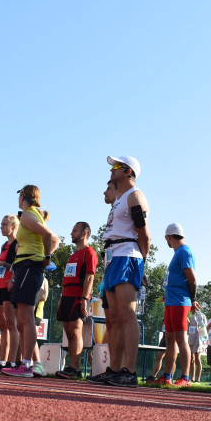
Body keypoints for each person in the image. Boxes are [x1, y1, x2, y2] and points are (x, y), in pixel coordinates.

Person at [87, 156, 150, 388]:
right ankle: (114, 370)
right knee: (113, 317)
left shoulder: (135, 196)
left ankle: (129, 371)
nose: (111, 171)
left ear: (127, 171)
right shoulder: (119, 199)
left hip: (127, 255)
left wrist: (141, 263)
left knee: (126, 314)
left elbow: (144, 234)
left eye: (115, 167)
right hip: (113, 257)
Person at [3, 186, 58, 377]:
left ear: (23, 196)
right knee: (21, 320)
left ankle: (27, 365)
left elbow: (50, 237)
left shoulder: (27, 215)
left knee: (26, 319)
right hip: (25, 267)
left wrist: (47, 258)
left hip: (30, 266)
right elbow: (54, 238)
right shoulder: (32, 215)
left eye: (19, 195)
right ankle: (27, 363)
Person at [157, 223, 197, 386]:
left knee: (181, 340)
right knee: (170, 339)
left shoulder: (184, 252)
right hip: (171, 301)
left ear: (168, 237)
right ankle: (167, 376)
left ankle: (185, 378)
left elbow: (192, 279)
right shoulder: (178, 252)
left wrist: (192, 299)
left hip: (180, 301)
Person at [57, 221, 98, 379]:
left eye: (74, 231)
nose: (71, 233)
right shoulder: (72, 255)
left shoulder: (89, 253)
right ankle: (71, 367)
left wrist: (84, 299)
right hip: (66, 295)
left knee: (75, 331)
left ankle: (75, 367)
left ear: (84, 233)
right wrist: (61, 297)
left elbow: (90, 277)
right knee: (68, 332)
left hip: (77, 296)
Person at [0, 214, 20, 374]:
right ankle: (1, 360)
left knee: (10, 325)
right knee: (1, 326)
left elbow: (16, 265)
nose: (1, 227)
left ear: (14, 226)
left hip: (9, 286)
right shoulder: (3, 245)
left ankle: (12, 361)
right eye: (1, 225)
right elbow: (3, 265)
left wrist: (1, 263)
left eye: (4, 225)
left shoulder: (17, 244)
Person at [188, 303, 207, 383]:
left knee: (197, 359)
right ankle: (192, 378)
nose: (192, 309)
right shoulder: (192, 315)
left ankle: (198, 379)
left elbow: (203, 327)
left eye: (193, 307)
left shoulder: (200, 315)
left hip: (198, 338)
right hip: (191, 337)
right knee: (191, 359)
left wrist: (201, 338)